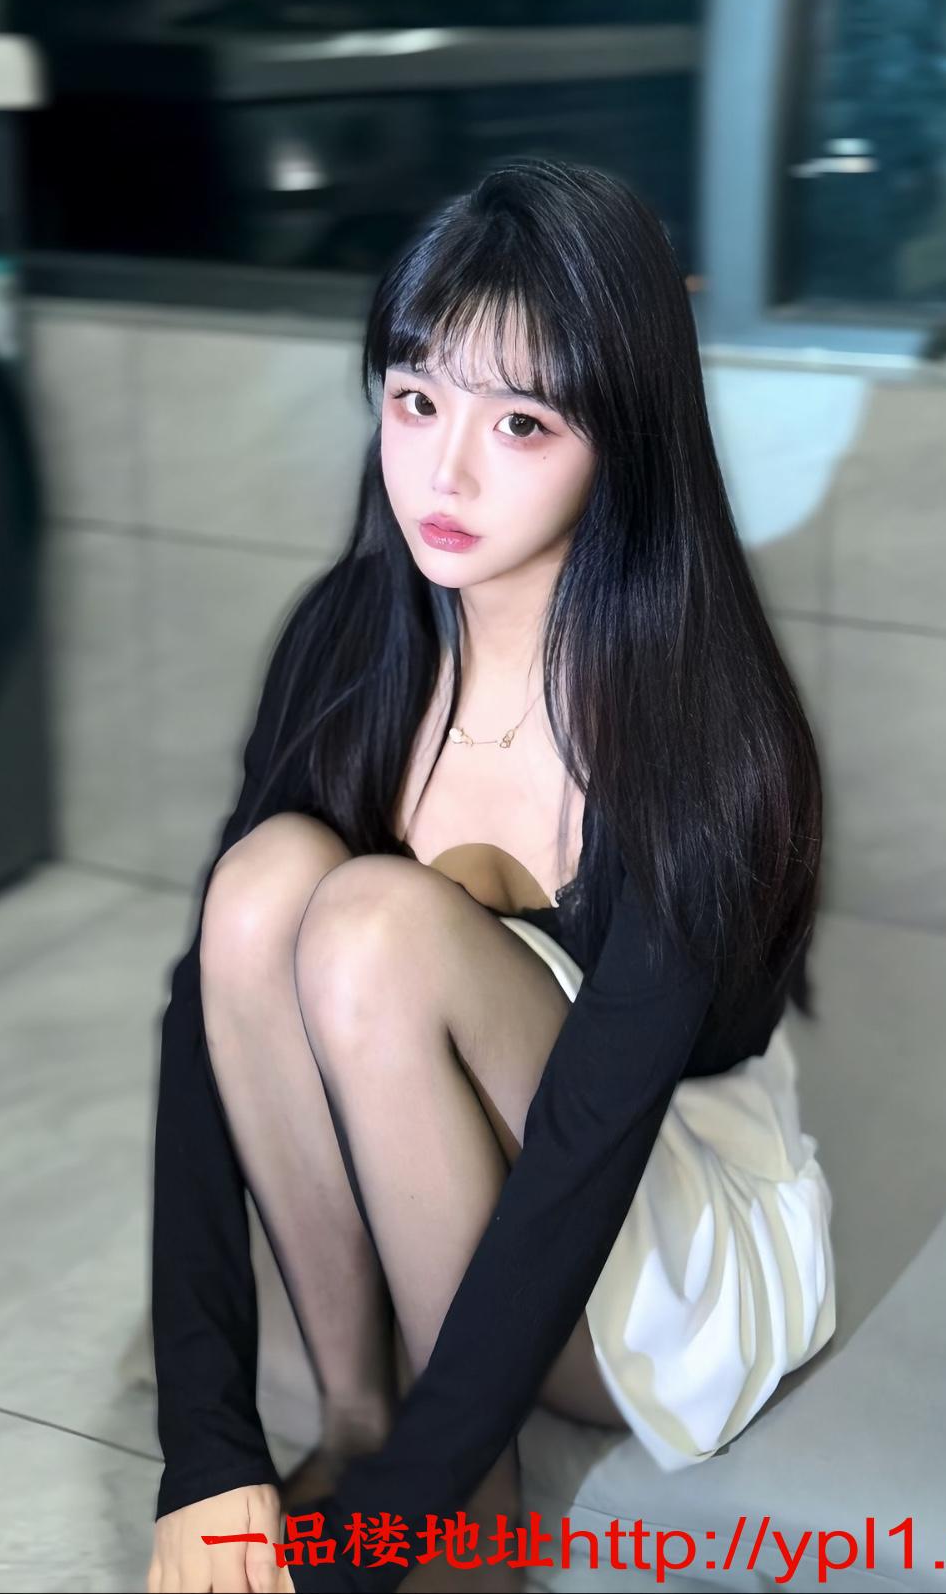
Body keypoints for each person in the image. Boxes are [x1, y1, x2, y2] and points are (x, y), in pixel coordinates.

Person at [144, 157, 836, 1594]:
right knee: (265, 886)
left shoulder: (698, 727)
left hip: (667, 1241)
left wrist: (403, 1525)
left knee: (374, 927)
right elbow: (203, 1017)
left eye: (522, 421)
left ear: (621, 439)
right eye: (417, 399)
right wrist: (206, 1449)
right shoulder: (353, 633)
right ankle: (360, 1422)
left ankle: (465, 1524)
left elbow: (585, 1149)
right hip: (486, 1228)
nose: (444, 474)